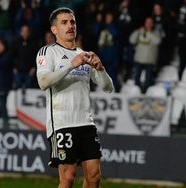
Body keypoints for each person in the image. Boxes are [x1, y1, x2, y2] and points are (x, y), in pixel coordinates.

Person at [36, 7, 114, 188]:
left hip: (86, 123)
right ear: (54, 29)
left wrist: (100, 69)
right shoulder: (48, 52)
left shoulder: (85, 56)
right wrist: (71, 65)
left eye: (72, 22)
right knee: (68, 177)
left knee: (94, 177)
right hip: (63, 123)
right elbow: (43, 81)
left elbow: (108, 88)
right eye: (64, 22)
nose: (70, 26)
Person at [129, 16, 161, 93]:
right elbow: (131, 40)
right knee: (136, 78)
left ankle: (147, 94)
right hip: (139, 59)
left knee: (148, 80)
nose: (148, 24)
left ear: (152, 24)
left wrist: (148, 33)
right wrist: (137, 32)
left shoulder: (155, 33)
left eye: (150, 22)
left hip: (149, 60)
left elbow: (157, 41)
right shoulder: (140, 32)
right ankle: (137, 93)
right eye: (147, 22)